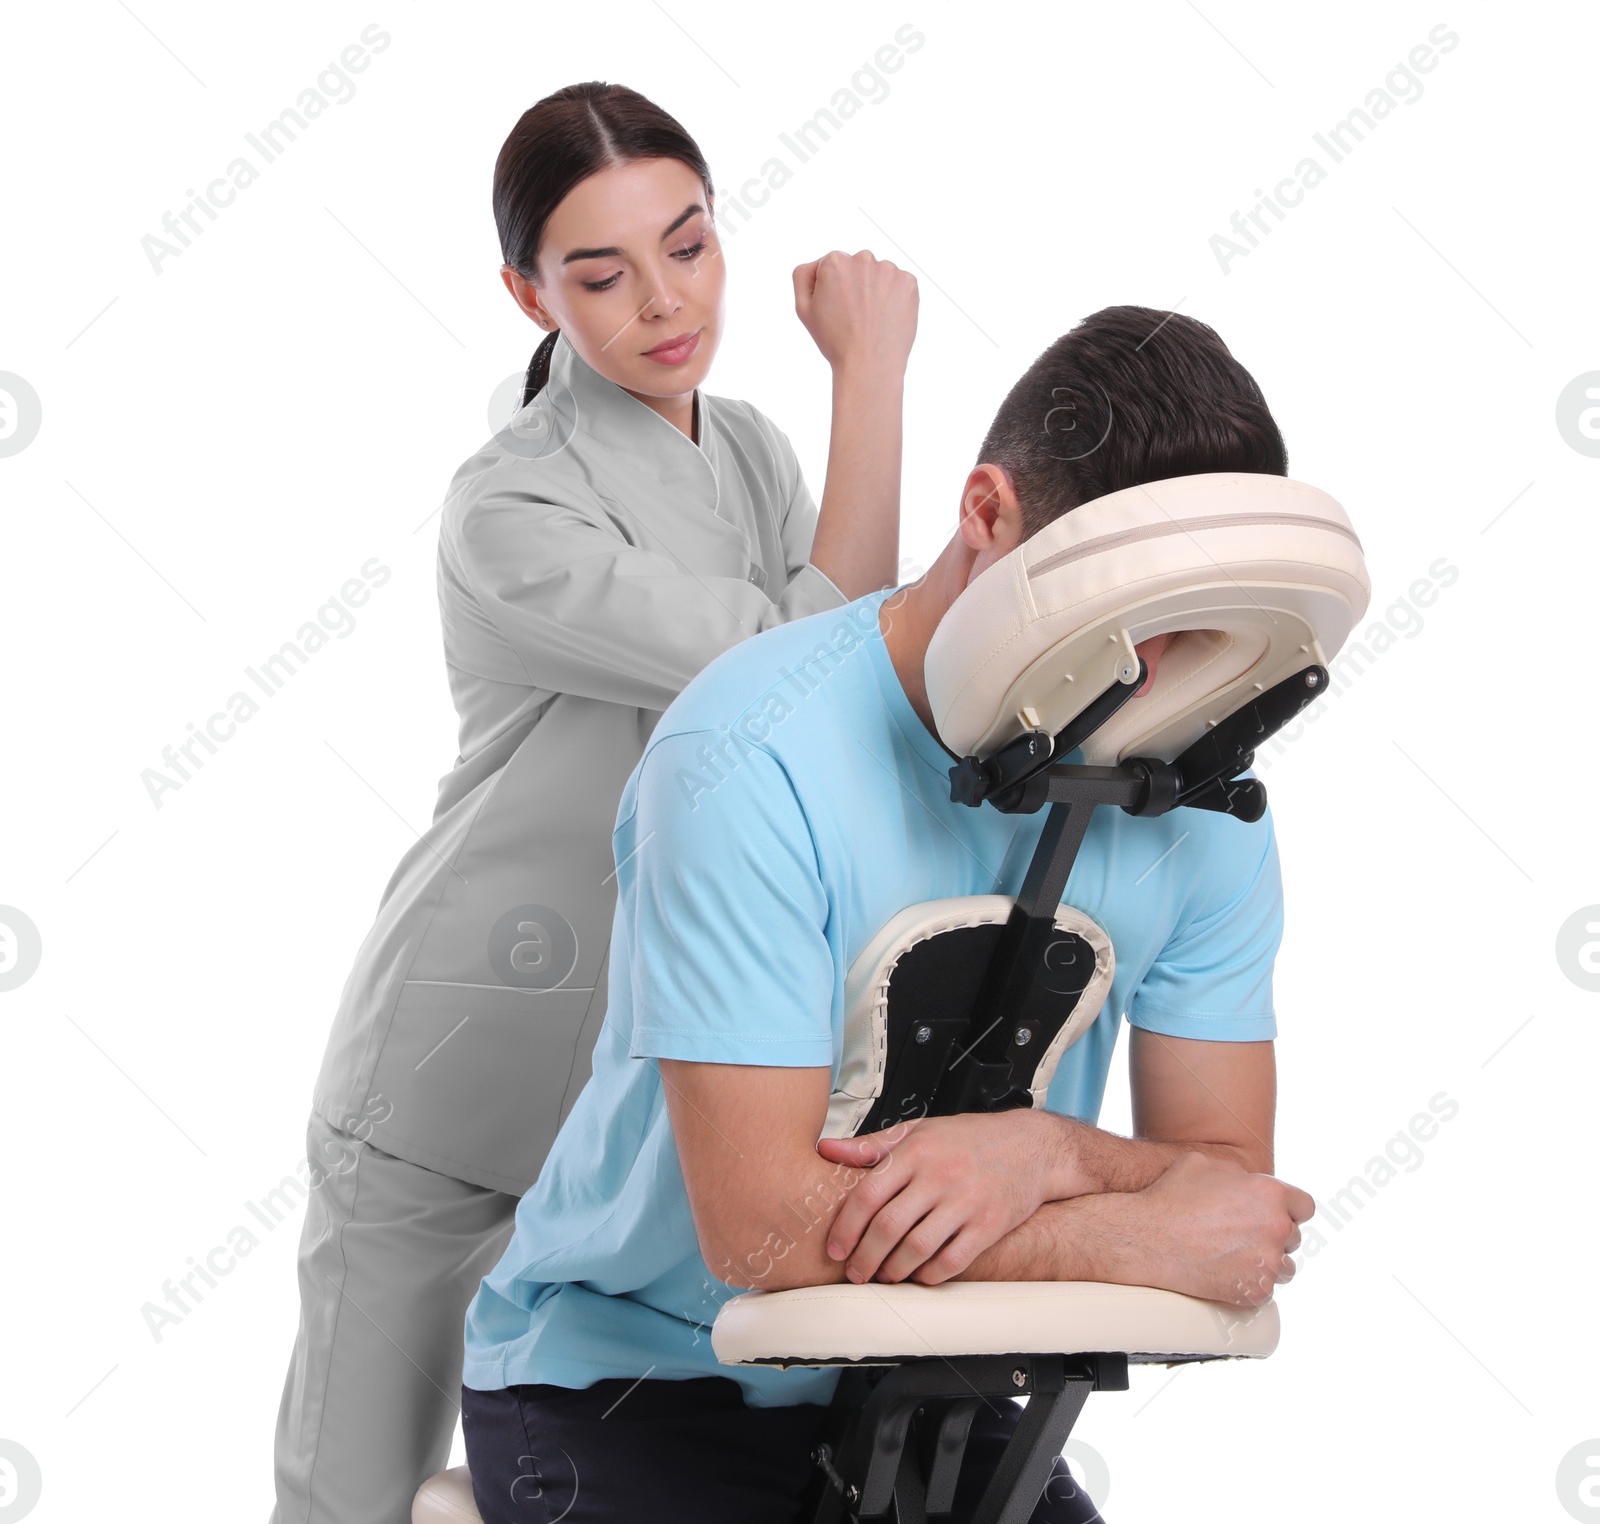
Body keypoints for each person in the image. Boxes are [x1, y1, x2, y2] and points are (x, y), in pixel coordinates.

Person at [457, 305, 1318, 1524]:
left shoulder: (1191, 800)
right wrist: (1112, 1234)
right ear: (986, 517)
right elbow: (759, 1232)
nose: (1160, 664)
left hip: (936, 1380)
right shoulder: (747, 751)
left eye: (1195, 618)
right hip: (633, 1380)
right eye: (1127, 613)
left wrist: (1050, 1156)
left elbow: (1225, 1192)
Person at [269, 82, 918, 1524]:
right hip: (460, 1077)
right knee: (356, 1501)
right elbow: (808, 672)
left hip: (632, 1116)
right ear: (526, 292)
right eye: (600, 272)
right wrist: (871, 377)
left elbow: (839, 685)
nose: (663, 303)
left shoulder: (744, 444)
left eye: (688, 247)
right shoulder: (511, 507)